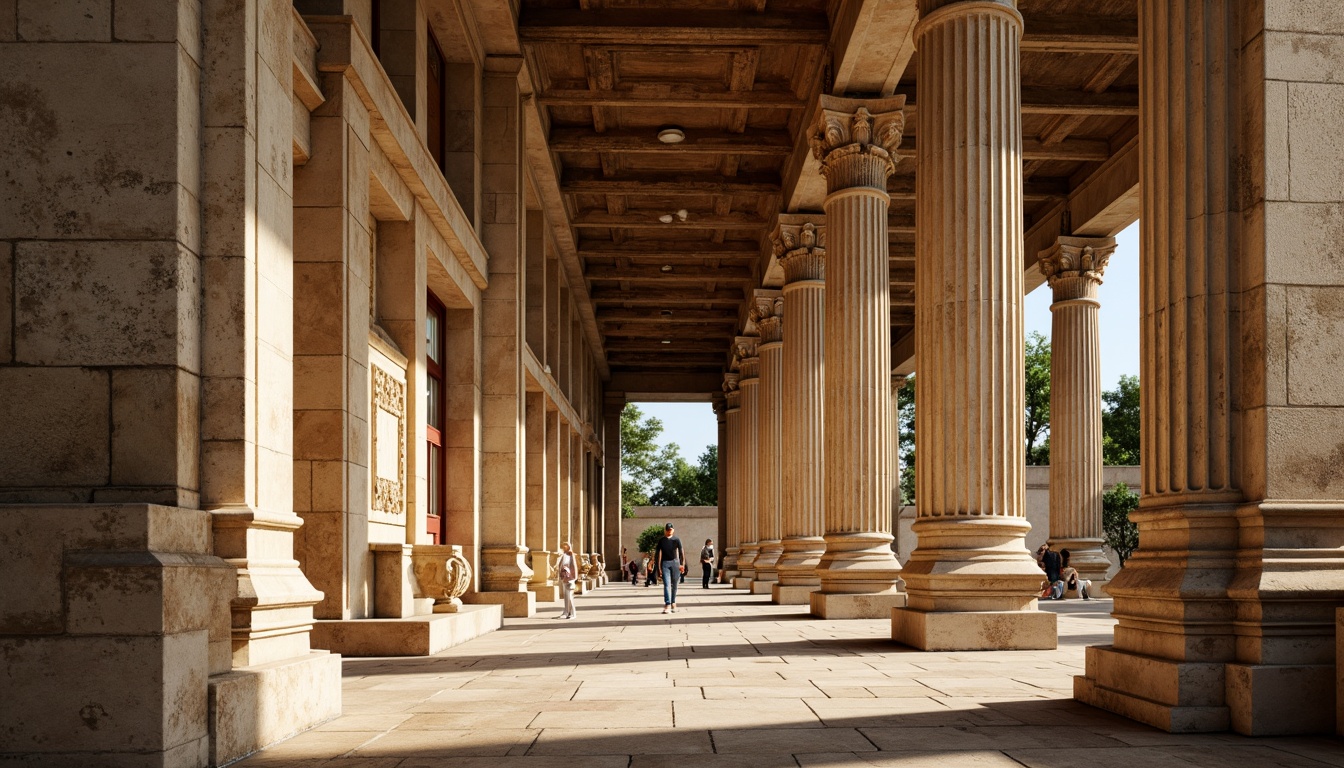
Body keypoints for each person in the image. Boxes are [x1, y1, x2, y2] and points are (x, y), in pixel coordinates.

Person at [652, 523, 686, 613]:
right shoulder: (662, 541)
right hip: (665, 563)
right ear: (665, 530)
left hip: (675, 563)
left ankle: (673, 602)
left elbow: (682, 553)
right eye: (667, 530)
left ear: (673, 530)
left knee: (674, 584)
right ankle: (667, 603)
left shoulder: (676, 540)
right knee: (667, 584)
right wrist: (658, 567)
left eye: (670, 530)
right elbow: (657, 554)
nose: (669, 531)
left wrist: (682, 564)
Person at [554, 542, 578, 620]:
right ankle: (566, 612)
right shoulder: (563, 555)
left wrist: (573, 577)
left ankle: (573, 613)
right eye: (563, 546)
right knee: (566, 597)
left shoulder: (571, 555)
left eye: (566, 546)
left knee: (570, 596)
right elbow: (560, 566)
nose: (564, 547)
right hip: (564, 577)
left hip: (570, 578)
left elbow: (573, 567)